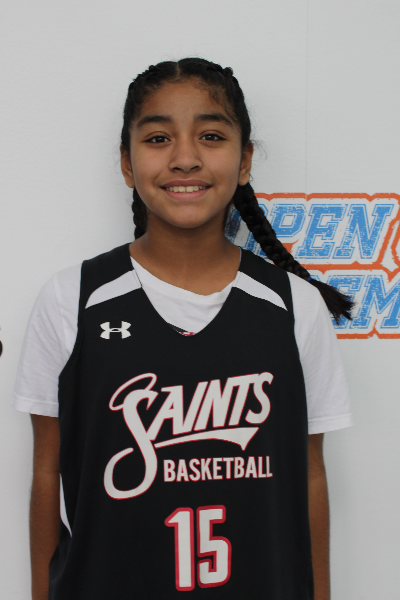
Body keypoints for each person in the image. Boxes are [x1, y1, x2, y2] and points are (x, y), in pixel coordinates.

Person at [13, 58, 353, 600]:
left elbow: (309, 474)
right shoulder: (71, 300)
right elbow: (45, 472)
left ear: (244, 160)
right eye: (158, 138)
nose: (185, 158)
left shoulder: (295, 306)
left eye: (211, 136)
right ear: (127, 163)